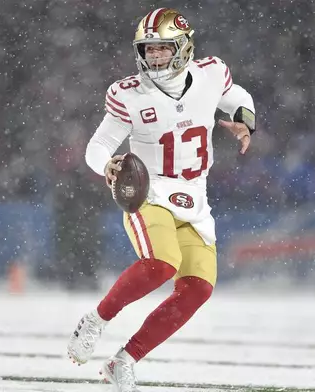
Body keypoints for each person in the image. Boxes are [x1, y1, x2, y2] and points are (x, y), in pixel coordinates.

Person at [67, 8, 256, 391]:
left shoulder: (210, 73)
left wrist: (245, 118)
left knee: (198, 288)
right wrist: (106, 165)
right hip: (149, 191)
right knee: (161, 263)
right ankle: (96, 320)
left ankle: (124, 360)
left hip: (194, 197)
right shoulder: (130, 95)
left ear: (183, 47)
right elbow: (98, 144)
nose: (154, 57)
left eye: (162, 48)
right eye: (148, 50)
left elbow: (235, 94)